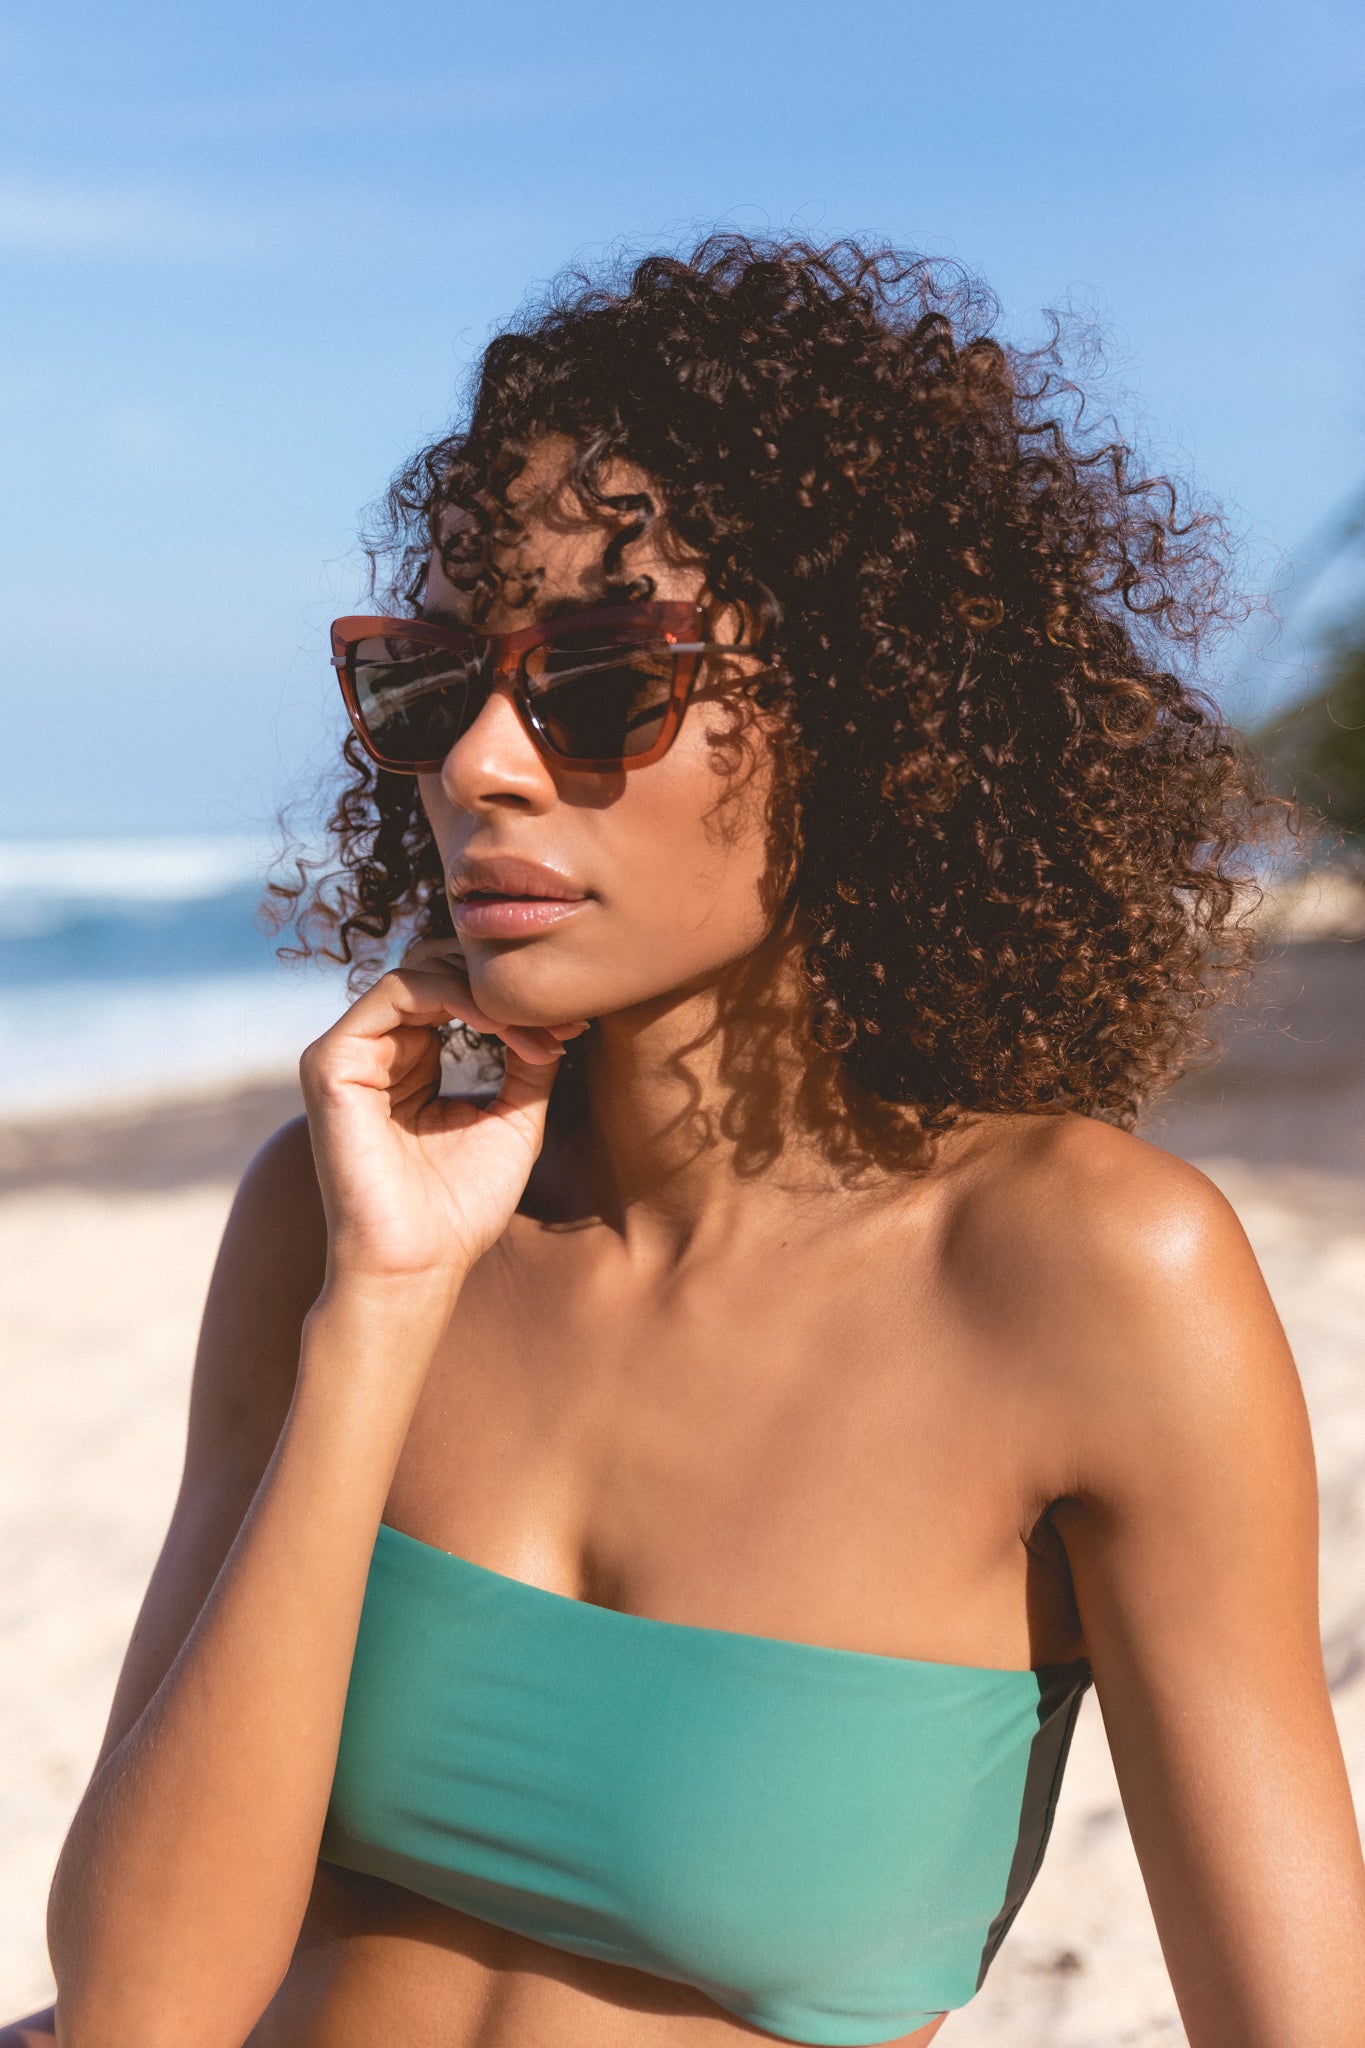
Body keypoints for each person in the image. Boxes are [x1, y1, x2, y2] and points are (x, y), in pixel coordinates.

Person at [11, 236, 1365, 2048]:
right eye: (429, 685)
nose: (481, 764)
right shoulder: (337, 1220)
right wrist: (387, 1310)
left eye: (594, 680)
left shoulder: (1086, 1277)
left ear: (863, 718)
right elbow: (135, 2012)